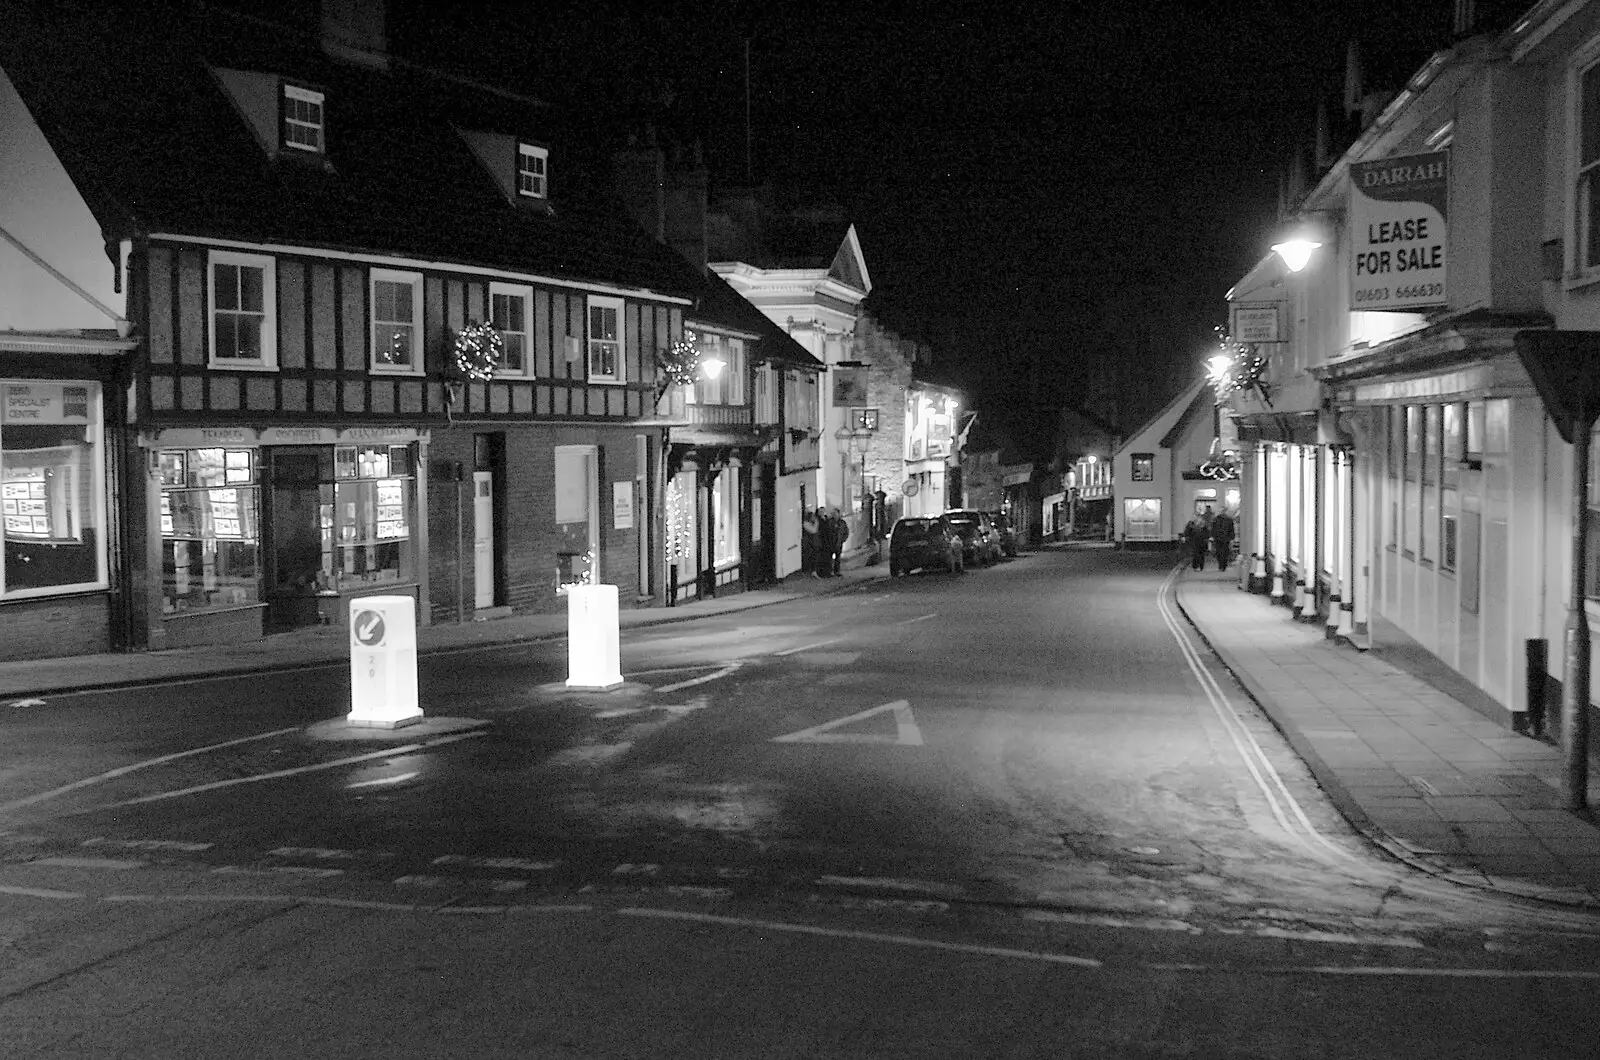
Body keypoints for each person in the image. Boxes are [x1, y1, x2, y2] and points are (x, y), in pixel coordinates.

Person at [825, 507, 848, 576]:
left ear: (838, 514)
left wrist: (843, 539)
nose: (834, 515)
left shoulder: (842, 522)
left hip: (838, 542)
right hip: (830, 542)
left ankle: (837, 571)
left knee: (838, 558)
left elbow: (846, 531)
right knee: (829, 558)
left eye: (835, 513)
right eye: (833, 513)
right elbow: (826, 532)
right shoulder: (829, 522)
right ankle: (829, 571)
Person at [802, 507, 821, 578]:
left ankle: (813, 571)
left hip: (814, 543)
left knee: (814, 557)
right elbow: (813, 530)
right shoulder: (806, 523)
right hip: (809, 544)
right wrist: (816, 522)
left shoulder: (811, 523)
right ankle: (808, 571)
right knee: (809, 557)